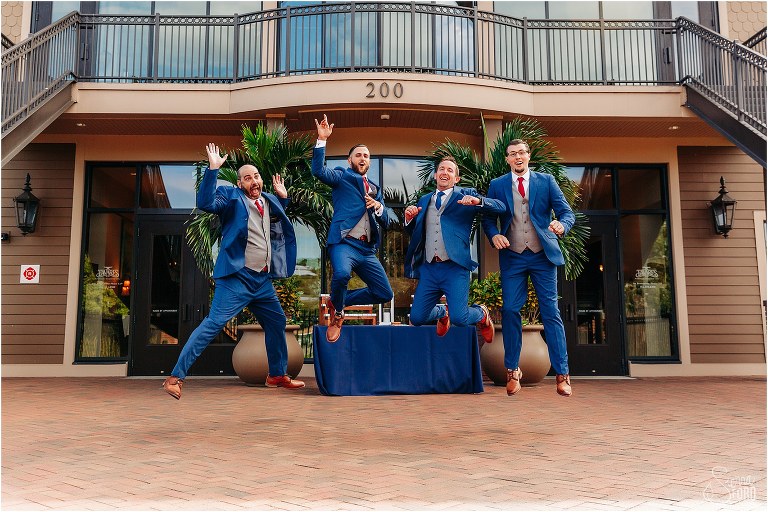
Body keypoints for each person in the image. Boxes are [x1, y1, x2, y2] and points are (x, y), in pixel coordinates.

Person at [162, 143, 305, 399]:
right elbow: (205, 202)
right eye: (248, 178)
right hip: (237, 278)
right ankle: (175, 378)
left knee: (277, 321)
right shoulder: (231, 198)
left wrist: (284, 198)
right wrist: (213, 170)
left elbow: (279, 218)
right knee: (213, 324)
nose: (254, 181)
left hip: (262, 280)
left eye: (257, 176)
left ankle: (276, 374)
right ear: (240, 183)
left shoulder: (269, 200)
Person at [481, 139, 576, 397]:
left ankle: (562, 374)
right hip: (513, 256)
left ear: (528, 155)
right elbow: (488, 219)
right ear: (508, 159)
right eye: (513, 154)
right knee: (511, 309)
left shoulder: (546, 181)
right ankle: (512, 370)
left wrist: (562, 226)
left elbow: (567, 213)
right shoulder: (497, 185)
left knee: (550, 311)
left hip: (542, 255)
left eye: (522, 152)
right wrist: (494, 236)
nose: (518, 157)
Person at [312, 114, 395, 342]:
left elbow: (387, 220)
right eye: (358, 154)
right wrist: (322, 140)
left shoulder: (376, 190)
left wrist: (379, 208)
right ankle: (337, 314)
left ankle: (339, 300)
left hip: (367, 250)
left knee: (384, 293)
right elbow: (318, 171)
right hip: (344, 243)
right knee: (341, 274)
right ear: (350, 161)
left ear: (369, 162)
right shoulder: (341, 177)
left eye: (366, 156)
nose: (363, 158)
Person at [404, 156, 503, 344]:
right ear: (435, 175)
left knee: (460, 319)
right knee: (416, 318)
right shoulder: (424, 200)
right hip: (430, 268)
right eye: (442, 169)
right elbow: (415, 230)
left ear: (456, 179)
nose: (445, 172)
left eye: (450, 170)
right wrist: (409, 218)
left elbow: (500, 207)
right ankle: (442, 312)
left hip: (455, 267)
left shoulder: (466, 195)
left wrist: (478, 201)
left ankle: (481, 313)